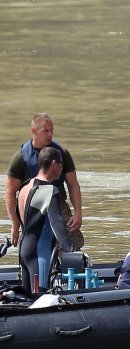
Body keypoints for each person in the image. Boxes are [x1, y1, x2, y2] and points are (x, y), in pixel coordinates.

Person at [5, 113, 83, 249]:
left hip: (58, 206)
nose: (50, 134)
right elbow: (10, 192)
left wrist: (78, 213)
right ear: (33, 131)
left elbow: (73, 185)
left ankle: (68, 265)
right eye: (45, 131)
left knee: (72, 245)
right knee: (35, 246)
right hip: (32, 210)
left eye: (52, 130)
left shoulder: (61, 153)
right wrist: (15, 223)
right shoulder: (21, 157)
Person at [17, 147, 73, 293]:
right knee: (40, 298)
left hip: (24, 250)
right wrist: (70, 249)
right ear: (54, 163)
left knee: (27, 299)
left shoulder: (25, 188)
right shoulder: (50, 190)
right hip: (40, 252)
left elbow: (23, 220)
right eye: (61, 163)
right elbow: (57, 222)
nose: (62, 167)